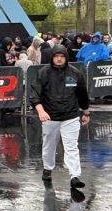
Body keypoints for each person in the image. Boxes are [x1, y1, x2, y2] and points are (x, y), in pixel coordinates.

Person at [29, 45, 90, 189]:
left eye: (62, 56)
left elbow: (82, 94)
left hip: (70, 116)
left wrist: (86, 112)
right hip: (50, 117)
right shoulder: (43, 73)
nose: (59, 59)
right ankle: (48, 168)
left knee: (71, 147)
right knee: (49, 146)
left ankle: (75, 176)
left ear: (66, 57)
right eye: (56, 56)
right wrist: (41, 111)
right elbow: (35, 94)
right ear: (52, 57)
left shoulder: (75, 74)